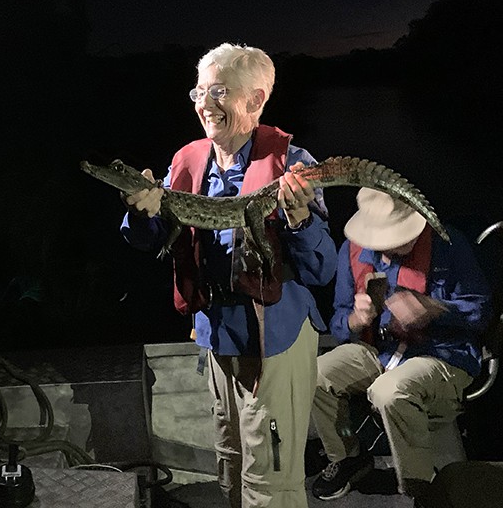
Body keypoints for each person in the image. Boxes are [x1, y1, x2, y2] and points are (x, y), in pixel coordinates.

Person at [121, 42, 338, 508]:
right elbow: (152, 237)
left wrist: (300, 221)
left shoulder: (293, 164)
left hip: (274, 335)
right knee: (232, 460)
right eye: (198, 91)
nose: (204, 103)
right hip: (216, 332)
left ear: (256, 100)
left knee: (272, 479)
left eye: (219, 91)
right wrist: (141, 214)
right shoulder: (187, 161)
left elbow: (323, 269)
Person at [310, 188, 492, 503]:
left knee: (390, 390)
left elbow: (481, 311)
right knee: (315, 373)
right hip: (378, 349)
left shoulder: (447, 244)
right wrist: (356, 318)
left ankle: (420, 484)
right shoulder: (351, 252)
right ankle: (348, 456)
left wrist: (436, 309)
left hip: (441, 354)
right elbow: (339, 323)